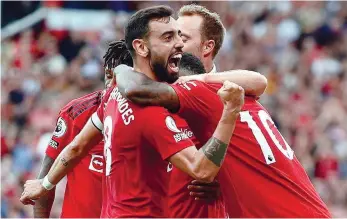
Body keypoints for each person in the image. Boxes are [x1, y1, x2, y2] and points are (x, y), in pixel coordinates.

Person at [20, 6, 244, 218]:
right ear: (141, 47)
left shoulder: (113, 95)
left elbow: (77, 147)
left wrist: (45, 184)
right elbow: (201, 170)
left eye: (179, 36)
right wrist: (230, 112)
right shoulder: (151, 112)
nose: (179, 44)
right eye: (168, 38)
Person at [113, 50, 332, 217]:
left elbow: (136, 90)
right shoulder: (237, 94)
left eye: (183, 36)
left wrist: (120, 67)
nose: (177, 43)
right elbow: (259, 81)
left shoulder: (202, 94)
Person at [32, 41, 133, 218]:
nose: (111, 85)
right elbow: (44, 180)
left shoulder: (154, 115)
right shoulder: (76, 113)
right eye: (108, 76)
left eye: (119, 79)